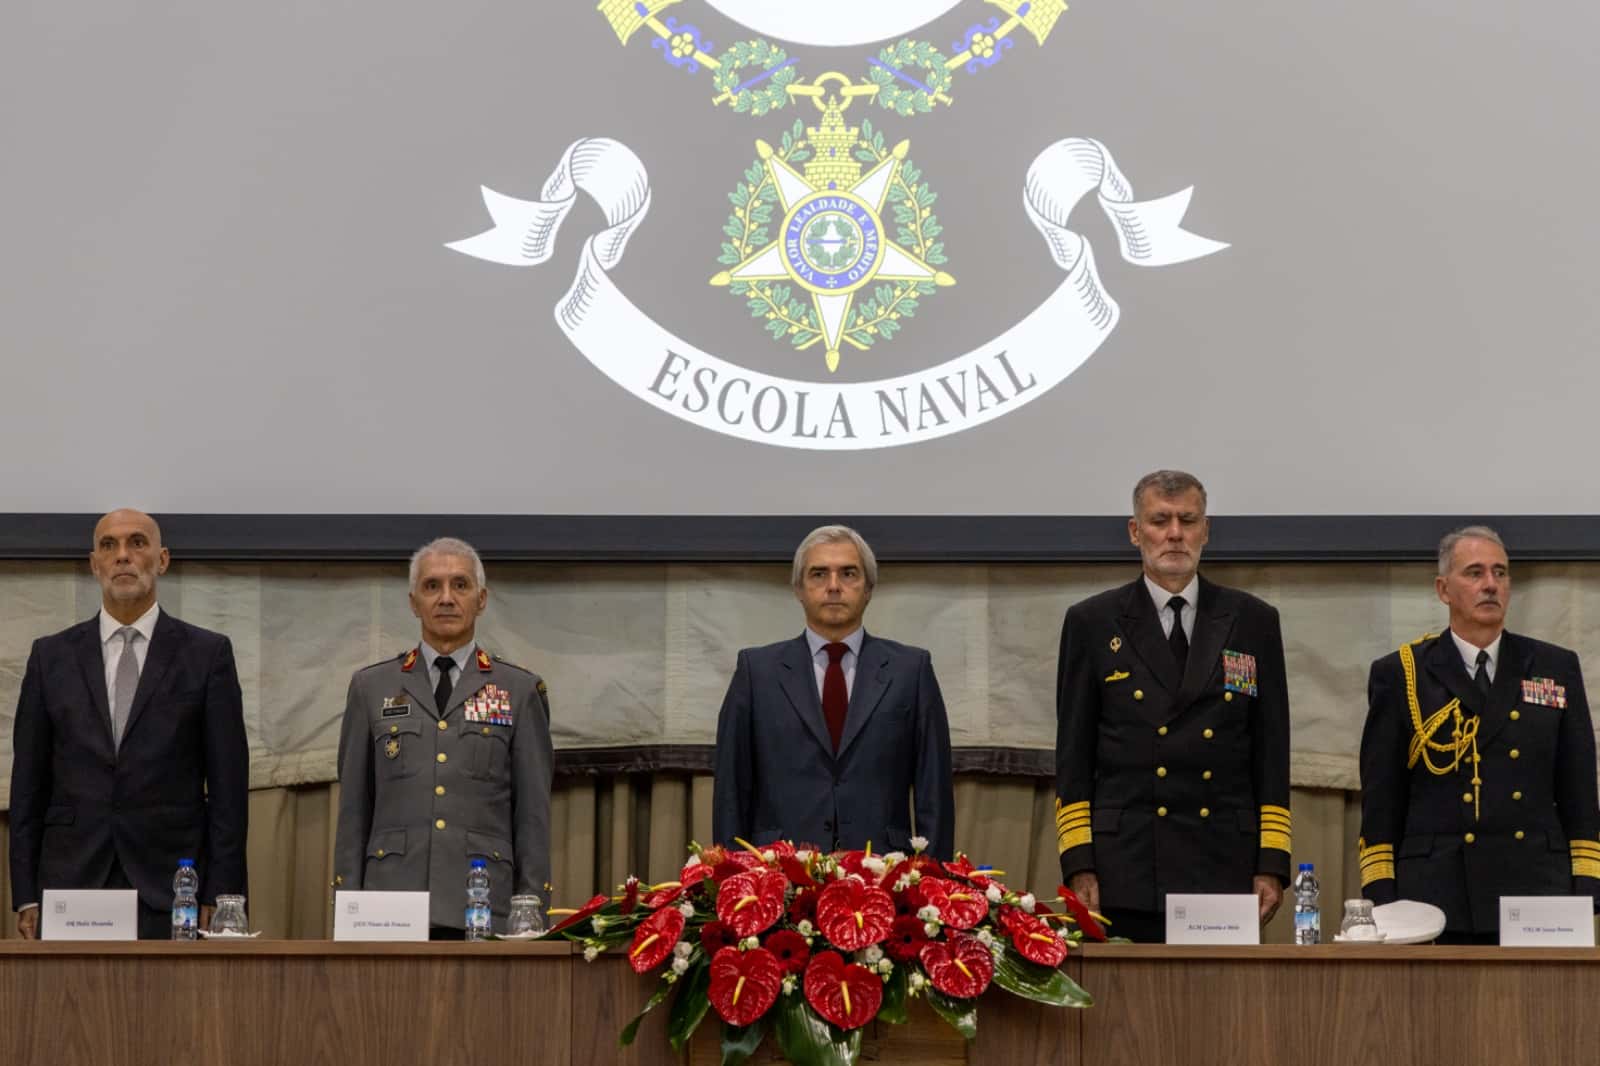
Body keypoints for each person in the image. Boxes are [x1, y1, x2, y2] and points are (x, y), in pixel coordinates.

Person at [1054, 471, 1291, 942]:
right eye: (1160, 520)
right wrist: (1078, 863)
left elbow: (1271, 751)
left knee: (1224, 1011)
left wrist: (1272, 863)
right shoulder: (1092, 623)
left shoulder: (1252, 621)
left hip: (1223, 862)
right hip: (1127, 866)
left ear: (1207, 530)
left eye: (1188, 520)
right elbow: (1073, 757)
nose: (1175, 534)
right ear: (1135, 532)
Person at [9, 509, 250, 940]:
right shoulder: (50, 658)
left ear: (162, 560)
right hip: (71, 882)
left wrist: (223, 891)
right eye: (109, 546)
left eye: (137, 543)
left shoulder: (207, 655)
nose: (123, 556)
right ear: (94, 564)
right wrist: (25, 893)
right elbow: (28, 785)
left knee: (170, 1009)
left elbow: (229, 789)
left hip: (172, 889)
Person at [1358, 526, 1600, 942]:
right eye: (1474, 573)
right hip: (1436, 893)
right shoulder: (1402, 673)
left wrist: (1588, 884)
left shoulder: (1553, 666)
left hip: (1537, 887)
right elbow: (1382, 797)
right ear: (1443, 589)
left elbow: (1578, 788)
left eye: (1500, 573)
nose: (1490, 584)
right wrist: (1382, 894)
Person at [332, 538, 553, 938]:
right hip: (387, 909)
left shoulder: (518, 690)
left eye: (460, 585)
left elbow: (533, 816)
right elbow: (352, 811)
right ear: (414, 601)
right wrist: (347, 906)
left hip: (485, 908)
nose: (446, 598)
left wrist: (532, 911)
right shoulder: (371, 687)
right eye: (432, 586)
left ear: (481, 599)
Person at [712, 525, 954, 858]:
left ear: (868, 588)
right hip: (777, 874)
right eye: (819, 574)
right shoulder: (756, 671)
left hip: (885, 876)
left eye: (849, 574)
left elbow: (935, 794)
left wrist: (934, 883)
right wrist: (730, 879)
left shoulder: (911, 671)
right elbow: (731, 791)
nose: (834, 586)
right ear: (798, 588)